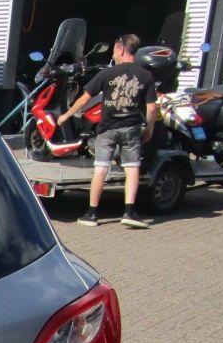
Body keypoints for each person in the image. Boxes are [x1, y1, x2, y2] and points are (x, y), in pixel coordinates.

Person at [57, 34, 158, 229]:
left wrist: (66, 115)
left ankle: (91, 214)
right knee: (132, 168)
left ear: (121, 49)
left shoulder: (107, 73)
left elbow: (84, 98)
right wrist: (150, 129)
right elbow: (152, 108)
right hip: (131, 128)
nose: (113, 55)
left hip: (107, 129)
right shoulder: (145, 75)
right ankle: (129, 213)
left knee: (101, 169)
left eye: (114, 51)